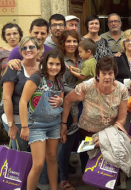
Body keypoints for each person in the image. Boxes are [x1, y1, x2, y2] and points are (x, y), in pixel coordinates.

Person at [60, 56, 129, 175]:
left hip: (109, 135)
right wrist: (64, 123)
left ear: (114, 74)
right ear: (98, 74)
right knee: (88, 171)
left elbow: (122, 118)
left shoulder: (122, 90)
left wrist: (104, 136)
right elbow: (67, 100)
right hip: (87, 134)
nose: (107, 77)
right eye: (104, 73)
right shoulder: (86, 86)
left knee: (107, 171)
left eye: (110, 73)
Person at [19, 49, 65, 190]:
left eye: (57, 64)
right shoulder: (36, 77)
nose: (54, 67)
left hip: (55, 124)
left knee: (52, 158)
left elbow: (61, 97)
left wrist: (60, 101)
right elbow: (23, 101)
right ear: (45, 63)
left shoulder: (58, 80)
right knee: (38, 164)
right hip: (36, 124)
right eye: (51, 63)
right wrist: (25, 127)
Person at [1, 37, 41, 151]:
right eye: (24, 48)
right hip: (16, 119)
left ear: (38, 49)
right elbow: (6, 98)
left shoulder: (43, 68)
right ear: (20, 51)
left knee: (37, 156)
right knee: (21, 155)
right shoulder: (14, 68)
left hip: (38, 121)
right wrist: (11, 125)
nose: (28, 50)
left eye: (31, 47)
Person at [57, 30, 83, 190]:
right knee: (66, 143)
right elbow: (60, 84)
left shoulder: (83, 58)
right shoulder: (59, 60)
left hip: (85, 104)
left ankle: (89, 173)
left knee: (86, 142)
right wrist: (78, 91)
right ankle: (63, 178)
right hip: (67, 104)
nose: (72, 44)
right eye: (68, 41)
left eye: (74, 41)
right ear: (63, 43)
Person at [67, 38, 97, 135]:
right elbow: (83, 71)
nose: (79, 54)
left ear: (89, 52)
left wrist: (71, 72)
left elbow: (82, 76)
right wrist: (75, 69)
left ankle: (75, 123)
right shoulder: (92, 61)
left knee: (73, 104)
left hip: (85, 89)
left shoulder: (87, 63)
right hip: (90, 89)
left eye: (80, 52)